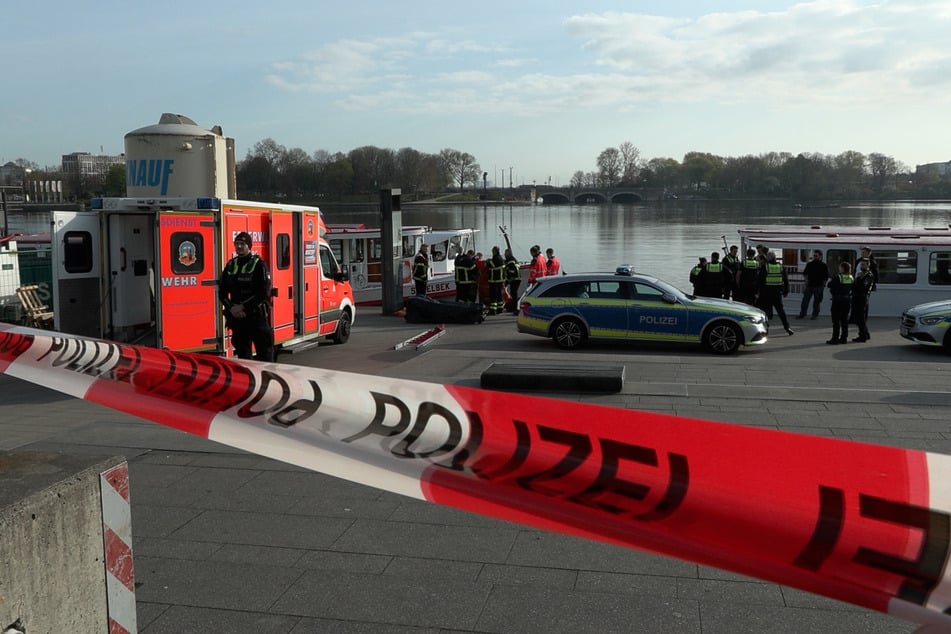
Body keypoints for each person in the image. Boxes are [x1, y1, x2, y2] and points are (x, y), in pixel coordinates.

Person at [219, 231, 275, 362]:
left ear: (249, 246)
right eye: (237, 243)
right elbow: (221, 292)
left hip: (256, 318)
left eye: (242, 244)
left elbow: (264, 292)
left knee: (265, 356)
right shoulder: (231, 265)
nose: (239, 246)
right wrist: (231, 308)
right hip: (238, 320)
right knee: (243, 357)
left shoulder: (259, 265)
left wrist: (243, 307)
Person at [759, 252, 794, 335]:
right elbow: (785, 280)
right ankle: (787, 328)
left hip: (767, 293)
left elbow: (760, 281)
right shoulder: (780, 266)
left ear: (768, 258)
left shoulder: (765, 267)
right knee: (781, 311)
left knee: (766, 313)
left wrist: (759, 292)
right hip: (777, 293)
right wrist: (786, 290)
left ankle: (765, 330)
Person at [797, 250, 829, 319]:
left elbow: (826, 277)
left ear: (820, 256)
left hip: (819, 286)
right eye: (814, 256)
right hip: (810, 285)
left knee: (816, 302)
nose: (815, 257)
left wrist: (823, 285)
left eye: (816, 256)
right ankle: (802, 314)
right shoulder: (810, 264)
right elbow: (805, 273)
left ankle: (814, 315)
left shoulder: (823, 265)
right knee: (805, 301)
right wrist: (806, 281)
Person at [827, 261, 853, 345]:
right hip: (847, 300)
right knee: (844, 320)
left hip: (838, 300)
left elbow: (829, 285)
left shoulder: (838, 277)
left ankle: (835, 339)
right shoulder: (851, 277)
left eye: (840, 267)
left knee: (836, 320)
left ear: (842, 268)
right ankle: (844, 338)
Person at [851, 259, 874, 342]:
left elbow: (862, 286)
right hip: (857, 297)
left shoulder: (869, 275)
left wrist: (857, 282)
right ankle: (866, 333)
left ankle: (862, 336)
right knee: (859, 318)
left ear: (868, 265)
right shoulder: (861, 274)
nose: (862, 266)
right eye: (861, 265)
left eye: (864, 265)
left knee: (861, 318)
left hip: (862, 298)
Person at [487, 246, 506, 315]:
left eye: (492, 251)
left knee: (493, 296)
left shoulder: (496, 258)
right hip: (500, 280)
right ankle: (500, 308)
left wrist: (487, 261)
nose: (492, 252)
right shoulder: (500, 258)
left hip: (494, 280)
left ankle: (493, 310)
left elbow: (491, 265)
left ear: (495, 251)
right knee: (499, 295)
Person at [503, 248, 521, 313]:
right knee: (513, 293)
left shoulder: (510, 261)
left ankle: (514, 308)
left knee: (514, 293)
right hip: (516, 278)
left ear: (508, 253)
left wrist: (507, 281)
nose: (504, 254)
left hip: (514, 279)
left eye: (505, 253)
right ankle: (513, 307)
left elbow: (512, 271)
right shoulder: (512, 259)